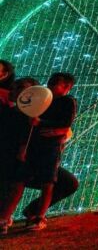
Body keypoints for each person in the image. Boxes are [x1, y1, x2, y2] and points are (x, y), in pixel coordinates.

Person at [22, 72, 78, 231]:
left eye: (55, 84)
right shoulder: (40, 99)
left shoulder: (67, 102)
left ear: (67, 87)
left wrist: (42, 123)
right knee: (23, 180)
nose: (50, 86)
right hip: (33, 147)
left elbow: (65, 124)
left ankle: (38, 215)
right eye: (50, 82)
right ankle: (32, 213)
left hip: (48, 148)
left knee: (50, 180)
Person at [0, 77, 39, 235]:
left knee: (67, 182)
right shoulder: (5, 112)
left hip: (27, 163)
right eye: (15, 87)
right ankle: (4, 218)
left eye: (22, 88)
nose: (16, 90)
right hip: (6, 159)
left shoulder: (36, 117)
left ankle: (32, 213)